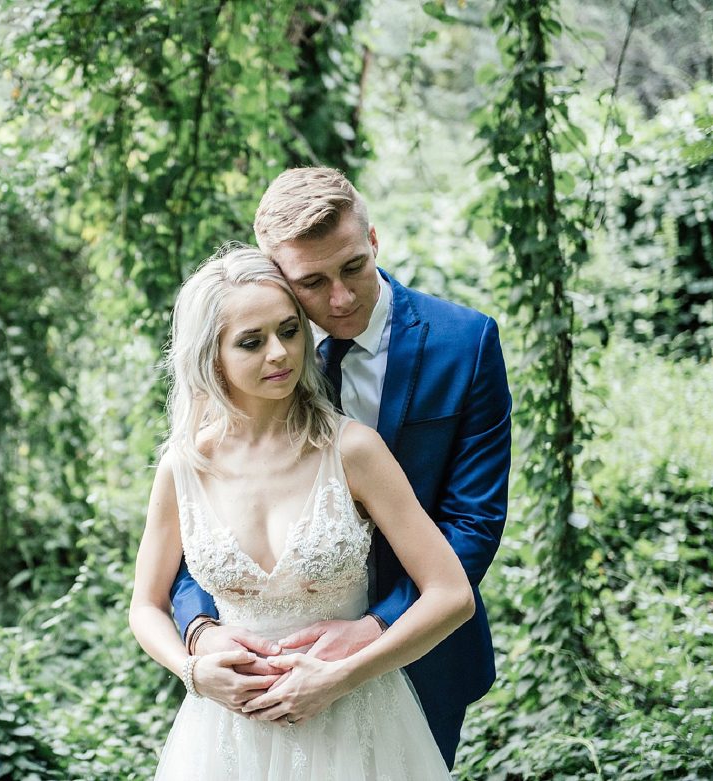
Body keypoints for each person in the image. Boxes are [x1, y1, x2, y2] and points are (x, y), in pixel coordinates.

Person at [170, 167, 512, 768]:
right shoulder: (253, 352)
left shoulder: (466, 343)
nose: (341, 298)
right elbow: (202, 515)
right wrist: (201, 629)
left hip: (421, 647)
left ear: (373, 240)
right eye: (312, 282)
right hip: (259, 670)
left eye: (354, 266)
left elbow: (472, 522)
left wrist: (376, 627)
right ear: (278, 276)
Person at [130, 245, 475, 779]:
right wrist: (193, 671)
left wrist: (342, 677)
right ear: (210, 356)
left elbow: (452, 596)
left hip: (357, 719)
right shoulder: (184, 467)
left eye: (290, 331)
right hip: (228, 734)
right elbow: (146, 606)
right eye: (252, 341)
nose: (280, 354)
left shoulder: (352, 450)